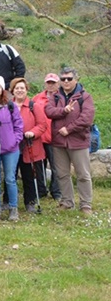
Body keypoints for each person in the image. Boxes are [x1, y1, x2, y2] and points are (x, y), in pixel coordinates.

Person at [44, 67, 95, 214]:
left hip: (78, 141)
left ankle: (86, 204)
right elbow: (49, 111)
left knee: (83, 174)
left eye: (69, 79)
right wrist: (63, 111)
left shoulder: (85, 97)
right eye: (63, 79)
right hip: (59, 142)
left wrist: (69, 129)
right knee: (62, 173)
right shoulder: (55, 96)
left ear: (76, 79)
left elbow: (86, 119)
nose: (66, 81)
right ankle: (67, 201)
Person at [0, 76, 23, 222]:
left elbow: (18, 125)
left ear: (2, 89)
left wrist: (15, 140)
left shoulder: (10, 105)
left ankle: (13, 209)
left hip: (10, 149)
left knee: (10, 178)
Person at [9, 77, 48, 212]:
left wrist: (32, 132)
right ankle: (8, 202)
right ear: (12, 91)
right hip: (11, 146)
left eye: (22, 88)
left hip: (28, 145)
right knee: (10, 175)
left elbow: (42, 125)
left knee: (29, 175)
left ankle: (30, 202)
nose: (19, 91)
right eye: (17, 88)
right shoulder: (7, 106)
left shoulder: (34, 106)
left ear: (26, 90)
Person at [33, 73, 62, 200]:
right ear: (45, 83)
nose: (51, 85)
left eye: (53, 83)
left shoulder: (61, 98)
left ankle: (56, 191)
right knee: (39, 166)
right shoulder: (37, 98)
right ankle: (41, 190)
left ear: (58, 84)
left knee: (56, 167)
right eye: (48, 82)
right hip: (39, 138)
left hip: (55, 138)